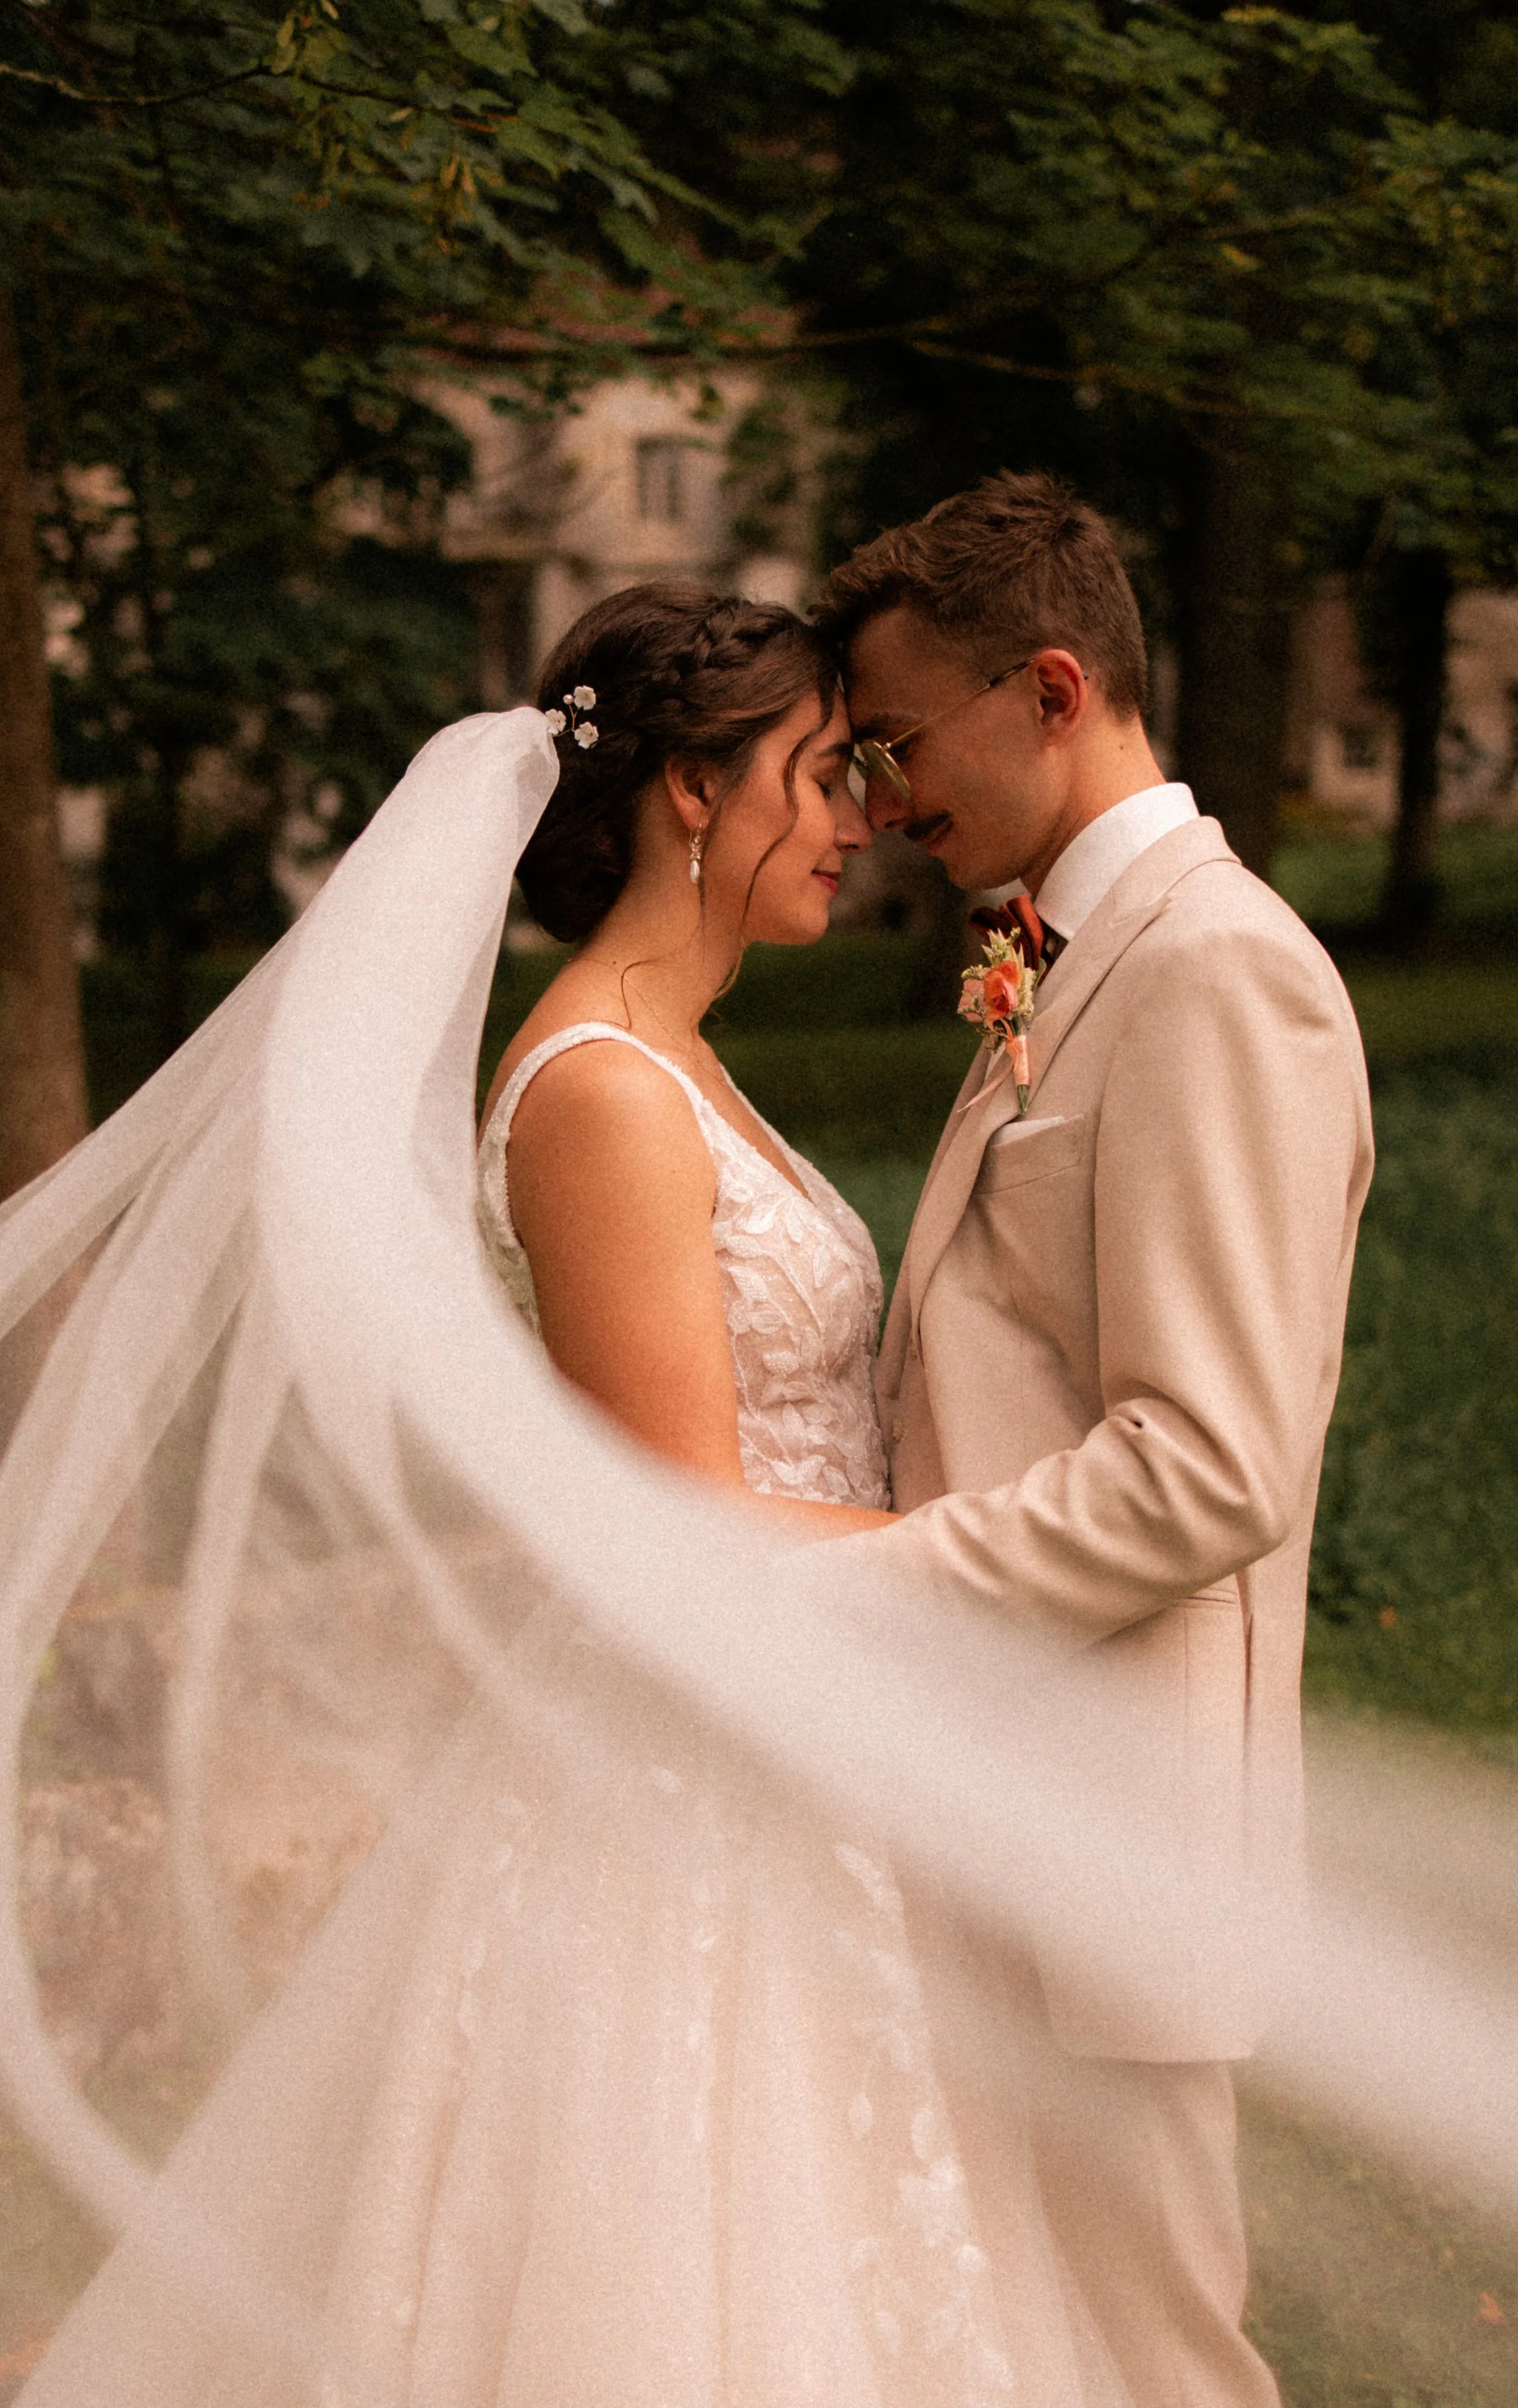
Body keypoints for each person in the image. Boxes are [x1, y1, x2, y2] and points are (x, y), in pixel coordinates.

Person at [5, 586, 1134, 2408]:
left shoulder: (676, 1061)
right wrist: (1036, 1560)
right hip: (694, 1788)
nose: (854, 818)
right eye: (814, 773)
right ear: (693, 790)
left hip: (804, 1741)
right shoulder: (600, 1093)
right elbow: (680, 1524)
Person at [814, 470, 1375, 2408]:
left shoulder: (1216, 970)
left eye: (894, 740)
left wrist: (849, 1591)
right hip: (988, 1801)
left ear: (1050, 688)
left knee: (1145, 2364)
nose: (877, 795)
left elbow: (1213, 1461)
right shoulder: (1056, 959)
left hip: (1111, 1840)